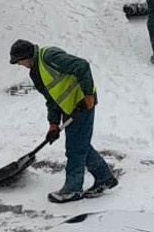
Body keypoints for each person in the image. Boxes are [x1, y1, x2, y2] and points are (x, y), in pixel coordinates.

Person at [11, 39, 118, 203]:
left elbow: (82, 66)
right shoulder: (35, 72)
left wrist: (88, 95)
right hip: (70, 108)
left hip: (83, 102)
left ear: (26, 56)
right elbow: (51, 99)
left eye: (19, 61)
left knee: (75, 148)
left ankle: (73, 189)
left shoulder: (49, 56)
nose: (20, 65)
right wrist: (53, 124)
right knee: (80, 144)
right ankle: (104, 177)